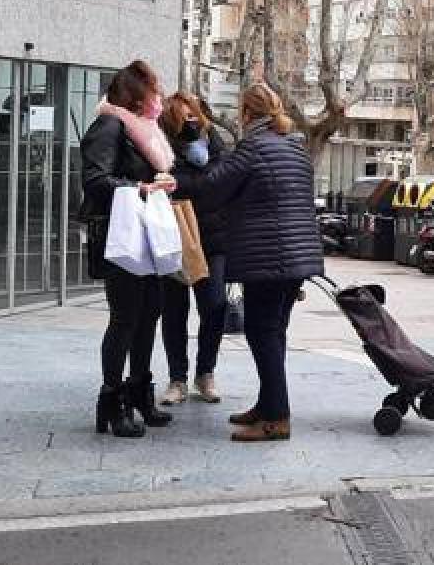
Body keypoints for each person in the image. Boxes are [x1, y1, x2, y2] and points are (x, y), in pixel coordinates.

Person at [174, 83, 323, 442]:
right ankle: (268, 405)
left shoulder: (253, 147)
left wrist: (175, 180)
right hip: (297, 255)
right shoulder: (294, 146)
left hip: (268, 256)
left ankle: (277, 419)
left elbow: (212, 189)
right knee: (275, 334)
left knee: (261, 333)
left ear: (246, 113)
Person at [79, 60, 176, 438]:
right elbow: (95, 180)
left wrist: (165, 181)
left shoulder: (145, 131)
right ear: (137, 95)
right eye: (154, 90)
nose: (160, 98)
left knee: (150, 311)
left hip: (145, 232)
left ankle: (140, 390)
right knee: (125, 317)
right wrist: (141, 188)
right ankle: (112, 398)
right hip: (120, 235)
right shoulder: (109, 125)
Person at [158, 93, 230, 406]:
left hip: (212, 239)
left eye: (194, 116)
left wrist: (184, 182)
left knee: (214, 306)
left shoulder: (213, 141)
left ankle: (206, 372)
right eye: (183, 117)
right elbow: (169, 180)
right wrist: (192, 181)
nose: (190, 122)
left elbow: (218, 181)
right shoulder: (160, 145)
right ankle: (177, 378)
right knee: (174, 311)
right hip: (174, 238)